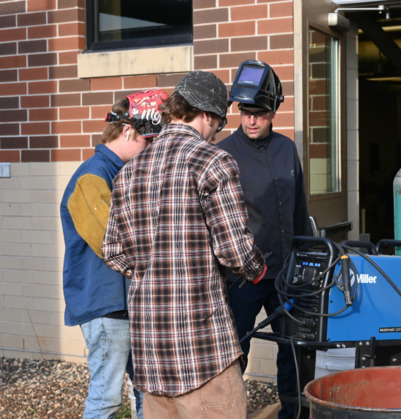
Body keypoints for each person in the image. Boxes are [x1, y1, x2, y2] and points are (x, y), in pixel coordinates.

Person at [102, 71, 267, 419]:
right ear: (207, 115)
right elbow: (233, 250)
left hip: (150, 349)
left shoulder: (129, 171)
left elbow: (113, 251)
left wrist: (153, 271)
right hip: (201, 349)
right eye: (218, 124)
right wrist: (257, 268)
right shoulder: (213, 161)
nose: (216, 133)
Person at [60, 89, 167, 419]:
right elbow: (116, 245)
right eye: (149, 142)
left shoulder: (121, 174)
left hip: (127, 305)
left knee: (145, 392)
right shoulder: (92, 178)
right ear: (127, 131)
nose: (151, 150)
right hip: (106, 309)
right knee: (106, 398)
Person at [217, 60, 313, 419]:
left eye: (259, 113)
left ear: (273, 111)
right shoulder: (224, 153)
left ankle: (293, 415)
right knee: (235, 352)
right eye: (245, 112)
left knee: (293, 349)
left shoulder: (287, 149)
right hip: (243, 277)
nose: (251, 120)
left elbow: (299, 208)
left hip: (287, 274)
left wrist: (305, 261)